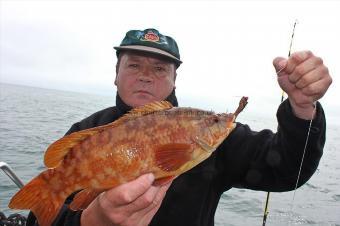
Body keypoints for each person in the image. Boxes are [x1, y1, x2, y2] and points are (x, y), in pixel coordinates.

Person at [26, 28, 332, 226]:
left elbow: (286, 169)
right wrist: (89, 223)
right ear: (116, 74)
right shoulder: (88, 130)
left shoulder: (207, 131)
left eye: (159, 68)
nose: (146, 76)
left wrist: (302, 108)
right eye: (134, 65)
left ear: (175, 80)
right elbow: (38, 220)